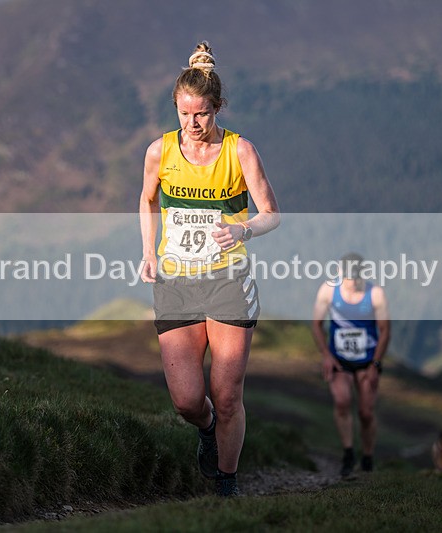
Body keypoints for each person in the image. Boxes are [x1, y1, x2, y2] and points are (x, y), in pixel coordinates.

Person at [139, 41, 280, 497]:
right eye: (183, 113)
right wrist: (148, 252)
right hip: (176, 283)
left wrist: (243, 233)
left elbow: (271, 214)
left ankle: (226, 483)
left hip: (227, 283)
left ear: (217, 108)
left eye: (201, 114)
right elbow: (147, 201)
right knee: (187, 401)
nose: (192, 123)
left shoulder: (241, 152)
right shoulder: (160, 153)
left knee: (227, 394)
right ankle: (206, 430)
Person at [311, 253, 391, 479]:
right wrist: (326, 356)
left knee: (365, 412)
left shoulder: (375, 294)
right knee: (342, 401)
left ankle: (367, 457)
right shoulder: (328, 290)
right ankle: (348, 454)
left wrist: (376, 363)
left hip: (366, 362)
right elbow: (316, 325)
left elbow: (385, 330)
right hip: (339, 360)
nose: (352, 281)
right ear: (339, 273)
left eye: (356, 276)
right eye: (348, 276)